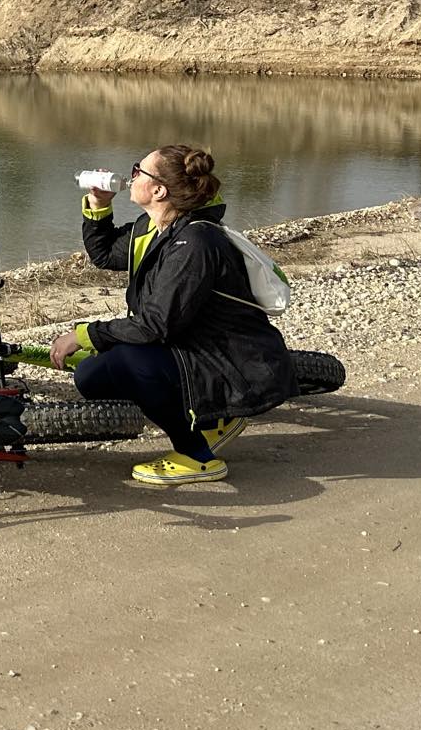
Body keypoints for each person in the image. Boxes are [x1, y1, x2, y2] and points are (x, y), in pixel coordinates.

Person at [49, 144, 296, 486]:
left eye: (138, 170)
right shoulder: (153, 228)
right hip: (192, 348)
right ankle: (210, 419)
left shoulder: (195, 242)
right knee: (91, 377)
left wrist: (84, 334)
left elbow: (155, 324)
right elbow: (105, 255)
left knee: (128, 362)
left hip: (231, 362)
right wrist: (99, 207)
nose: (131, 174)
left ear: (159, 190)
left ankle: (197, 454)